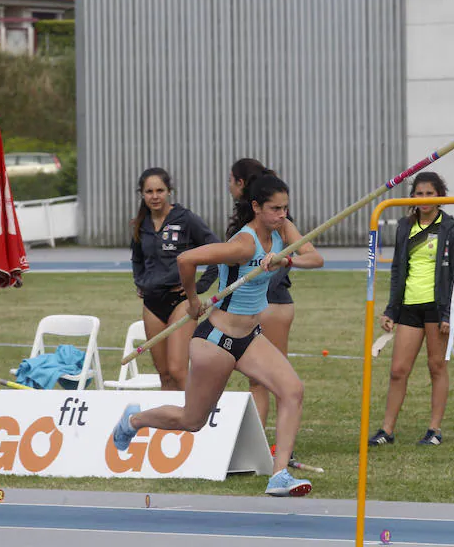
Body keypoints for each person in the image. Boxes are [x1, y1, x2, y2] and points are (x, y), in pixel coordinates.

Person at [113, 175, 324, 496]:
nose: (282, 215)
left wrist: (286, 258)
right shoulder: (244, 243)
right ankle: (134, 421)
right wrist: (194, 300)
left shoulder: (283, 230)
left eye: (285, 208)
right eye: (275, 209)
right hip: (216, 340)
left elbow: (316, 258)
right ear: (256, 207)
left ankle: (279, 475)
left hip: (250, 337)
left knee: (292, 390)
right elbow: (186, 258)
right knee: (192, 420)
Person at [368, 172, 454, 448]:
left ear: (440, 196)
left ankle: (434, 429)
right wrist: (391, 310)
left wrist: (449, 314)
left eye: (429, 194)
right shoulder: (403, 226)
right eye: (418, 194)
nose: (423, 199)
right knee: (398, 370)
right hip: (409, 306)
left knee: (436, 366)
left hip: (437, 307)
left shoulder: (451, 227)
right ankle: (387, 430)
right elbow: (398, 269)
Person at [131, 168, 219, 390]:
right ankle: (169, 425)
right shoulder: (141, 224)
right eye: (149, 191)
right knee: (164, 375)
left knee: (178, 372)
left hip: (180, 302)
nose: (155, 196)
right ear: (141, 194)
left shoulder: (185, 219)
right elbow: (137, 259)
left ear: (169, 191)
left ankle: (193, 421)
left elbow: (217, 252)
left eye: (160, 190)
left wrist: (199, 287)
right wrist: (140, 281)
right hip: (152, 305)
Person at [227, 158, 295, 428]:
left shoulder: (278, 223)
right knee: (259, 380)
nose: (229, 188)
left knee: (276, 380)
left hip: (271, 304)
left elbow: (311, 255)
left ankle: (282, 447)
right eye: (277, 208)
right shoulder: (247, 228)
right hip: (247, 308)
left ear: (241, 183)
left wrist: (286, 261)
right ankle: (260, 446)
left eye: (231, 182)